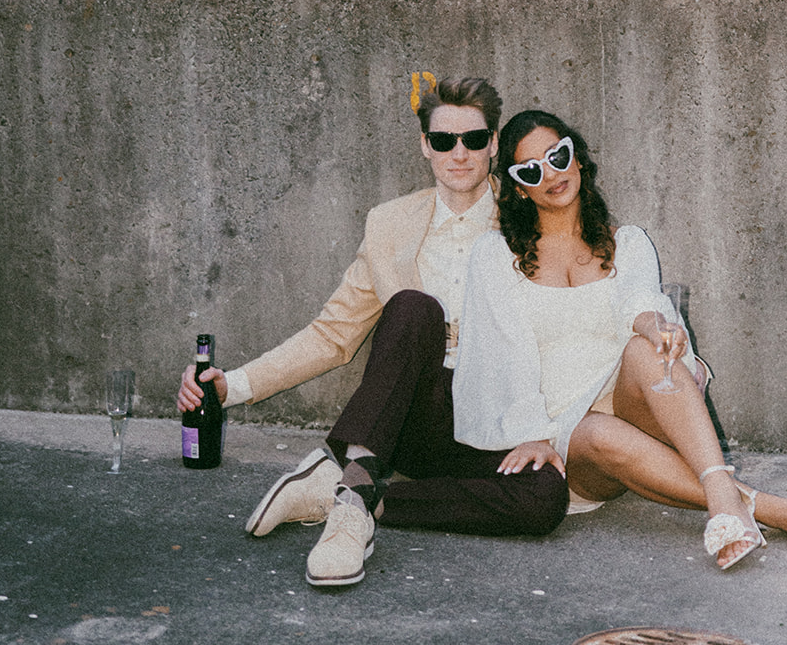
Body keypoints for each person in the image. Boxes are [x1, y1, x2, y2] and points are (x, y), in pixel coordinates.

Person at [177, 78, 568, 588]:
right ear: (424, 145)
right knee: (413, 309)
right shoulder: (390, 224)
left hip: (491, 423)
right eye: (444, 140)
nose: (459, 154)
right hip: (410, 416)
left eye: (474, 140)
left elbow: (571, 325)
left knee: (545, 498)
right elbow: (333, 334)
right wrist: (233, 385)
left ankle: (355, 493)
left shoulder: (528, 214)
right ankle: (349, 517)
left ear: (493, 144)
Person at [453, 110, 787, 571]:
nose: (552, 174)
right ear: (519, 187)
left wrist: (653, 325)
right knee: (597, 430)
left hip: (632, 407)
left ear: (577, 158)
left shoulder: (629, 242)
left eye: (558, 156)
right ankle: (775, 510)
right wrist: (532, 434)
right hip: (569, 441)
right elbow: (501, 353)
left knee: (647, 347)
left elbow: (638, 298)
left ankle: (725, 503)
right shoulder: (496, 256)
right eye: (532, 170)